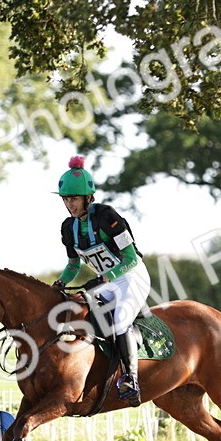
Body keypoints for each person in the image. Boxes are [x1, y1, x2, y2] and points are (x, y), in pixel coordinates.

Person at [50, 155, 151, 407]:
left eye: (73, 199)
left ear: (88, 197)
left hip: (131, 278)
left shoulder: (107, 217)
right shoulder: (67, 227)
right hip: (106, 284)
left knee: (118, 321)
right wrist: (60, 283)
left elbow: (130, 258)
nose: (69, 204)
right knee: (80, 316)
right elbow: (74, 265)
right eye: (65, 199)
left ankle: (131, 380)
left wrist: (104, 278)